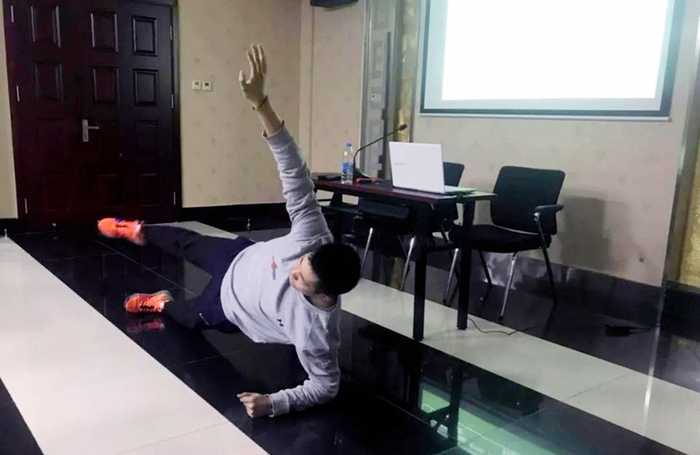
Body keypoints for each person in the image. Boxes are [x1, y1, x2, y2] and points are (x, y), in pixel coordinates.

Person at [97, 44, 361, 419]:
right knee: (184, 240)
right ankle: (138, 230)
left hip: (231, 309)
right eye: (300, 262)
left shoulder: (316, 332)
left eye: (301, 279)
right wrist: (260, 103)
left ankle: (160, 301)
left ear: (324, 294)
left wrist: (274, 403)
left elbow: (325, 386)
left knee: (188, 319)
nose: (292, 271)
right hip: (239, 257)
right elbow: (293, 170)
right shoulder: (312, 235)